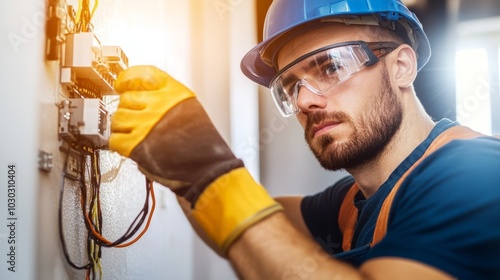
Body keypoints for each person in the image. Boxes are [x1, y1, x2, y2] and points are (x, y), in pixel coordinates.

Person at [109, 0, 500, 279]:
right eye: (291, 85)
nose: (305, 100)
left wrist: (213, 176)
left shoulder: (476, 173)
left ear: (401, 67)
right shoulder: (352, 202)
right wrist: (186, 163)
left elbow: (236, 208)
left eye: (331, 66)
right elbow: (258, 226)